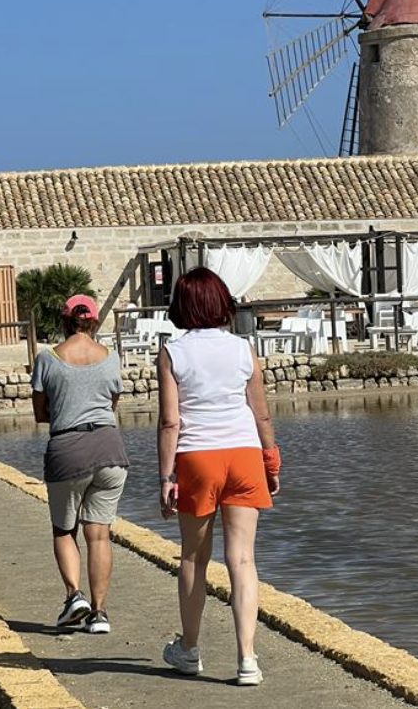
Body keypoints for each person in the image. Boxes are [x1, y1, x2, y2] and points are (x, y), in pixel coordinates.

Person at [156, 268, 280, 687]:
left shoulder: (173, 351)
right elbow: (260, 411)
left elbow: (170, 422)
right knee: (242, 559)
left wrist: (165, 475)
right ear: (221, 302)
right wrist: (271, 459)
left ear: (182, 306)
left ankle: (189, 651)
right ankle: (247, 659)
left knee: (194, 557)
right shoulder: (243, 349)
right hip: (244, 453)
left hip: (197, 456)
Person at [31, 295, 128, 635]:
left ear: (65, 320)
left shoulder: (48, 359)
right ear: (93, 321)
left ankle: (74, 596)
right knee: (99, 535)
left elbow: (41, 412)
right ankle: (100, 614)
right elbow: (112, 403)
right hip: (109, 448)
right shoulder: (111, 358)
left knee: (64, 529)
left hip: (67, 448)